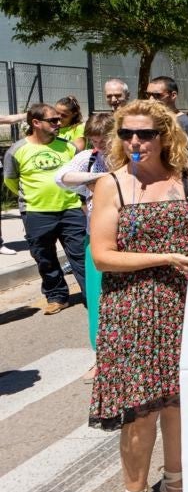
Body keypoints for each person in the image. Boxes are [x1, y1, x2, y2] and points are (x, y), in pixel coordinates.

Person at [88, 99, 188, 492]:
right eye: (127, 135)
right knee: (139, 411)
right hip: (132, 308)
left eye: (146, 134)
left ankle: (175, 486)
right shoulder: (110, 184)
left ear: (164, 135)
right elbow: (102, 255)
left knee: (179, 402)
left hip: (184, 305)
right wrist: (164, 257)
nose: (136, 142)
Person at [3, 103, 88, 314]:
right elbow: (10, 180)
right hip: (36, 212)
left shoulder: (68, 147)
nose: (59, 123)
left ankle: (92, 295)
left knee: (81, 255)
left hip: (71, 209)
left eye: (59, 119)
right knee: (44, 257)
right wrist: (33, 196)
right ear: (36, 123)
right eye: (53, 120)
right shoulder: (18, 150)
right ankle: (57, 297)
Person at [54, 112, 114, 362]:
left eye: (103, 141)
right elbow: (61, 177)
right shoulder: (88, 158)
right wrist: (97, 178)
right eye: (94, 141)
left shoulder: (130, 156)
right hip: (95, 237)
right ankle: (100, 355)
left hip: (127, 238)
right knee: (97, 299)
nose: (98, 146)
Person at [144, 76, 188, 174]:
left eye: (156, 95)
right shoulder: (147, 122)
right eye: (148, 95)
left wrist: (168, 169)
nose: (151, 100)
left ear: (173, 95)